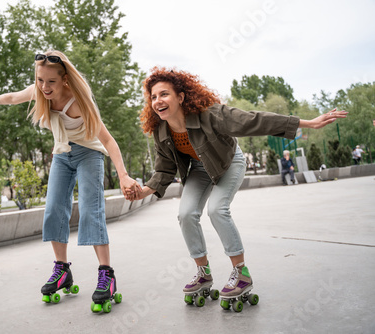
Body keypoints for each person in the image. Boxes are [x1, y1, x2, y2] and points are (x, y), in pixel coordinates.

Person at [132, 67, 347, 304]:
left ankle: (241, 273)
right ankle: (203, 273)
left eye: (164, 94)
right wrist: (142, 191)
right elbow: (164, 170)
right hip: (200, 169)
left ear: (180, 97)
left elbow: (254, 121)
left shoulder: (210, 115)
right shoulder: (161, 130)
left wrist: (307, 124)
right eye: (153, 97)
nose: (157, 101)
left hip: (228, 163)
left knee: (217, 210)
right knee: (185, 214)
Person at [0, 50, 140, 309]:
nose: (44, 87)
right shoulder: (39, 91)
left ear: (64, 79)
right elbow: (12, 97)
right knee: (53, 209)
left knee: (89, 210)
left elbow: (107, 140)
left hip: (89, 153)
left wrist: (123, 175)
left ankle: (106, 274)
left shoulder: (78, 102)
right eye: (40, 80)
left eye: (50, 81)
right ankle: (62, 269)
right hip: (62, 154)